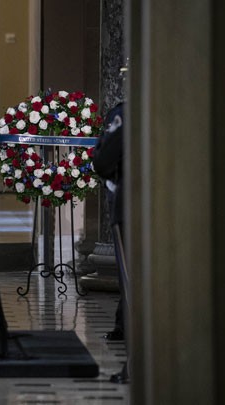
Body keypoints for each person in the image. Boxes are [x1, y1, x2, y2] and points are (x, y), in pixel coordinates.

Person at [92, 101, 128, 383]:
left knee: (131, 286)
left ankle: (135, 364)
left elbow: (103, 162)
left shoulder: (125, 112)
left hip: (130, 208)